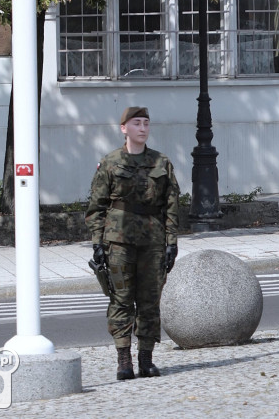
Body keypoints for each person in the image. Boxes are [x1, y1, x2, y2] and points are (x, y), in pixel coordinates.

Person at [86, 107, 181, 380]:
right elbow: (96, 207)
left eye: (146, 123)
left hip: (152, 241)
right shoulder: (110, 163)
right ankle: (123, 359)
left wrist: (171, 242)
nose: (142, 127)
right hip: (118, 241)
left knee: (150, 302)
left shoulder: (161, 163)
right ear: (124, 128)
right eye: (136, 123)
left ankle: (146, 359)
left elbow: (172, 206)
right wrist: (97, 243)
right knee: (121, 300)